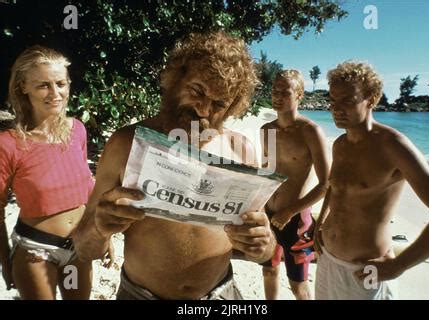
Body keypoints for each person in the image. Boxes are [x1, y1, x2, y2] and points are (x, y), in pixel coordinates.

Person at [73, 31, 277, 300]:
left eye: (219, 104)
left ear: (232, 108)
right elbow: (85, 249)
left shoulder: (241, 150)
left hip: (221, 295)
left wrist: (263, 244)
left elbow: (264, 249)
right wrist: (99, 227)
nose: (204, 110)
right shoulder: (126, 145)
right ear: (174, 80)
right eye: (197, 91)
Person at [314, 60, 429, 300]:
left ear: (372, 99)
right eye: (333, 100)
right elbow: (334, 188)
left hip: (366, 272)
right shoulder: (340, 144)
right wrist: (319, 224)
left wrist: (400, 265)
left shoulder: (393, 146)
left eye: (348, 101)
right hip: (327, 259)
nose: (336, 109)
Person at [0, 46, 95, 299]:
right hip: (36, 252)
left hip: (80, 248)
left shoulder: (77, 130)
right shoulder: (8, 144)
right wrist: (4, 260)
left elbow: (86, 187)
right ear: (23, 87)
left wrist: (100, 236)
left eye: (61, 84)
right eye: (43, 85)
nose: (55, 93)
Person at [260, 70, 330, 300]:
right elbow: (267, 172)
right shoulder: (267, 130)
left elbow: (326, 183)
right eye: (274, 91)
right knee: (269, 271)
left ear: (299, 94)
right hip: (268, 213)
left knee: (297, 284)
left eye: (285, 92)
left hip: (296, 220)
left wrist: (290, 211)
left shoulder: (310, 131)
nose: (278, 96)